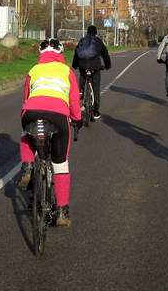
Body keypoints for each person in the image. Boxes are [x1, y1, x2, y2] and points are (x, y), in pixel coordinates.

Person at [18, 38, 82, 227]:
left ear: (41, 53)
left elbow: (26, 97)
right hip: (58, 115)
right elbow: (74, 101)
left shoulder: (33, 70)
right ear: (60, 53)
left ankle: (28, 166)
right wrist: (77, 119)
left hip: (31, 111)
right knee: (60, 163)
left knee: (26, 135)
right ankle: (62, 211)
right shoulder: (66, 71)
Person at [71, 25, 111, 120]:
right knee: (96, 87)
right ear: (96, 32)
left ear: (87, 32)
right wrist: (107, 66)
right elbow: (105, 55)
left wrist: (75, 65)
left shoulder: (82, 40)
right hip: (95, 66)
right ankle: (96, 111)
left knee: (83, 75)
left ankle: (80, 91)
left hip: (83, 65)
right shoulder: (98, 41)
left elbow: (76, 53)